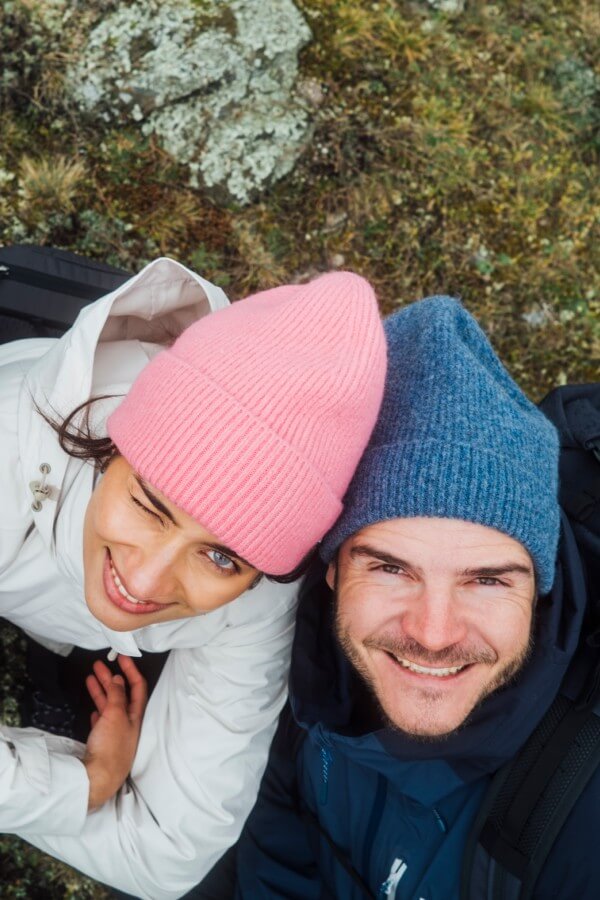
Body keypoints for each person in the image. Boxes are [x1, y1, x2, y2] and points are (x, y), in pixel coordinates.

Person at [0, 257, 387, 899]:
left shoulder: (263, 593)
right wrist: (81, 785)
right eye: (149, 505)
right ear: (114, 446)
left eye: (220, 558)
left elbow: (167, 856)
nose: (145, 578)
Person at [235, 295, 599, 899]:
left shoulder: (582, 823)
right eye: (390, 569)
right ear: (331, 573)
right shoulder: (312, 677)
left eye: (487, 580)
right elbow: (278, 844)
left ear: (540, 589)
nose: (433, 633)